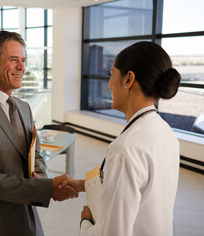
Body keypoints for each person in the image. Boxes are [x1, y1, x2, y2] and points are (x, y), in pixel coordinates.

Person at [0, 31, 78, 236]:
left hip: (28, 213)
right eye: (13, 60)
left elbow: (36, 153)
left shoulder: (23, 108)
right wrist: (46, 188)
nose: (22, 67)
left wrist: (40, 179)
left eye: (23, 60)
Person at [59, 41, 181, 235]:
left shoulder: (125, 149)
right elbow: (142, 188)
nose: (109, 84)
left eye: (111, 75)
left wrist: (85, 222)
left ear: (128, 79)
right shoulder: (165, 132)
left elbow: (112, 232)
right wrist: (83, 185)